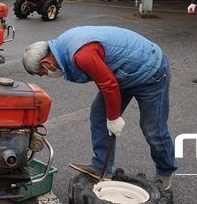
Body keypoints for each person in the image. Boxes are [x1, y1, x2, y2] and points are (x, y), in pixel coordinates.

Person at [22, 26, 177, 191]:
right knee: (99, 116)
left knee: (153, 128)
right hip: (122, 73)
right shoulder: (62, 48)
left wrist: (114, 118)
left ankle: (164, 173)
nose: (47, 76)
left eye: (43, 73)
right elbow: (105, 78)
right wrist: (110, 115)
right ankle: (101, 167)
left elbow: (108, 84)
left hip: (150, 71)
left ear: (45, 63)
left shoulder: (81, 55)